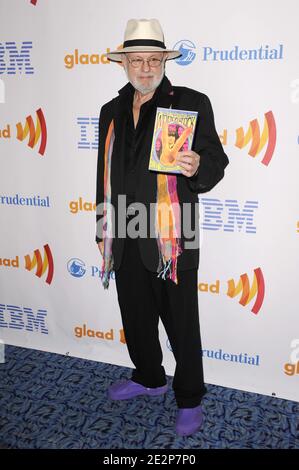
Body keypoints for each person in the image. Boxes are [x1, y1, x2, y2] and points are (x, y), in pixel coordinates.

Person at [95, 18, 229, 437]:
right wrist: (103, 231)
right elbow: (102, 175)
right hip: (126, 229)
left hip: (174, 232)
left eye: (154, 59)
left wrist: (197, 166)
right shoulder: (110, 111)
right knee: (134, 314)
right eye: (138, 59)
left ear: (164, 61)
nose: (146, 67)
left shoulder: (190, 102)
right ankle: (149, 377)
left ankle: (189, 396)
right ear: (125, 64)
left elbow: (215, 161)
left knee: (181, 322)